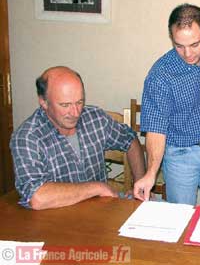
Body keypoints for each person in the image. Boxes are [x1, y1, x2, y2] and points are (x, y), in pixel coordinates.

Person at [133, 3, 200, 206]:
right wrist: (151, 173)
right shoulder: (161, 75)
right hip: (180, 156)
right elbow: (156, 128)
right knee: (180, 219)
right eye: (179, 46)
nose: (188, 54)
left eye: (194, 45)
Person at [10, 66, 146, 210]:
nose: (75, 113)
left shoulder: (95, 119)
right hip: (53, 224)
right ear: (43, 102)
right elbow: (36, 197)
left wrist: (139, 184)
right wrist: (96, 188)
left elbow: (130, 139)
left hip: (99, 216)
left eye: (79, 102)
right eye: (65, 105)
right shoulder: (27, 138)